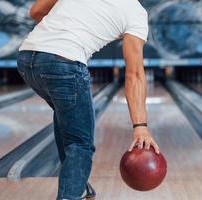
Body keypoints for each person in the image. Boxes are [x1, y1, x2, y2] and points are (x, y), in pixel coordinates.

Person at [17, 0, 160, 199]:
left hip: (26, 59)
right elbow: (134, 74)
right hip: (65, 64)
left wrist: (66, 29)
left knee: (66, 120)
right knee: (80, 144)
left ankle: (80, 187)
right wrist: (141, 126)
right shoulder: (135, 13)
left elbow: (36, 11)